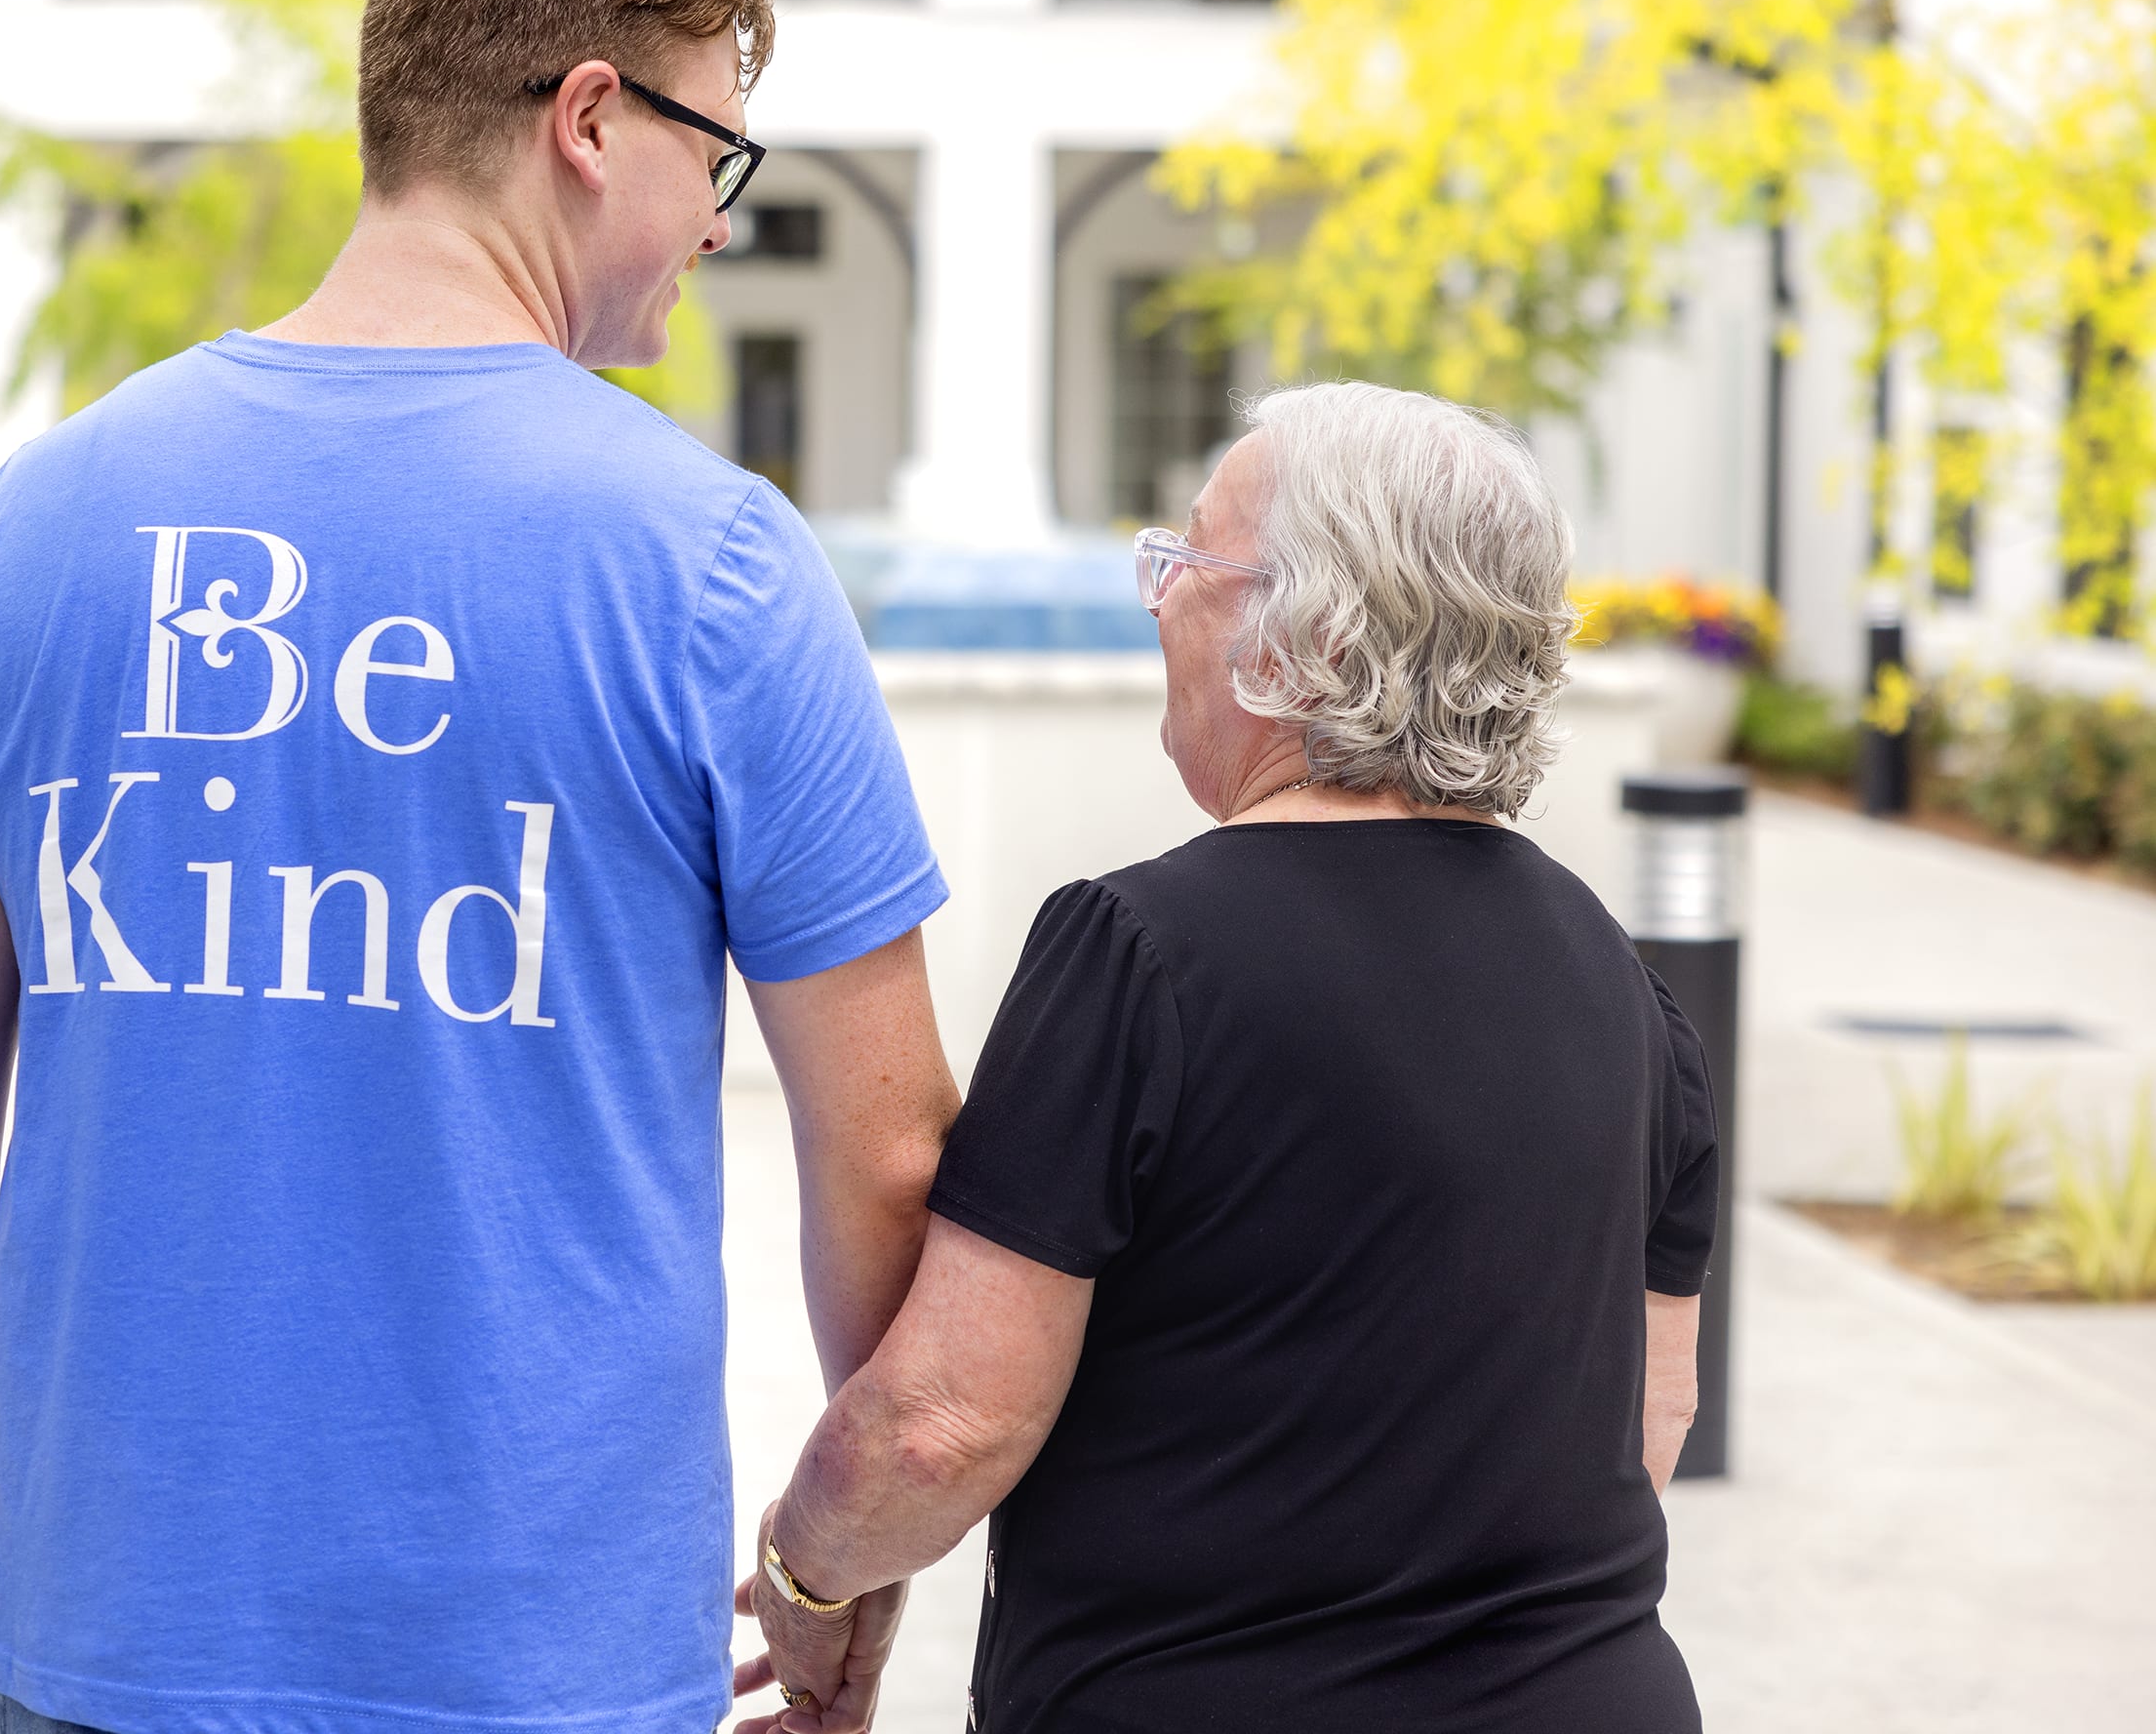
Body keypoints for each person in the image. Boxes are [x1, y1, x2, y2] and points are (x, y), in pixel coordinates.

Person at [0, 0, 960, 1734]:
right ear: (591, 118)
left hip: (98, 1644)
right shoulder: (711, 566)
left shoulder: (33, 522)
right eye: (717, 155)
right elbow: (888, 1149)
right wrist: (834, 1566)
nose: (719, 221)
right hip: (540, 1664)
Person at [736, 382, 1719, 1734]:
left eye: (1186, 560)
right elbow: (1644, 1429)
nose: (1155, 601)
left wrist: (808, 1575)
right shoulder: (1633, 997)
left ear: (1305, 636)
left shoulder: (1137, 953)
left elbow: (942, 1427)